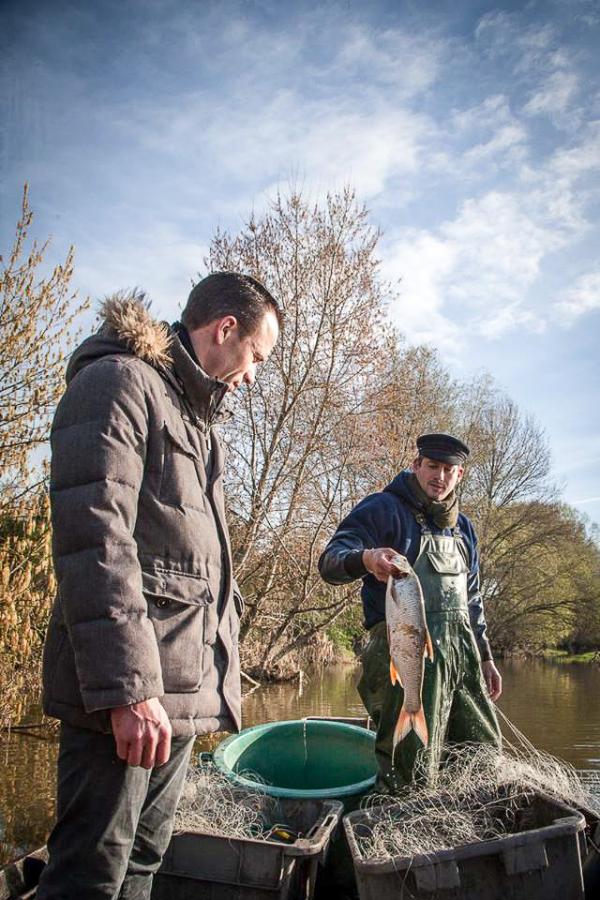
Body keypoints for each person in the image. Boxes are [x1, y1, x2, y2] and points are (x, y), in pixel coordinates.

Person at [36, 272, 281, 899]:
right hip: (127, 701)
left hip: (178, 700)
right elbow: (97, 542)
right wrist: (129, 691)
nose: (253, 376)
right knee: (90, 876)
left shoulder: (197, 423)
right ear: (225, 330)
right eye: (256, 356)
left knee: (144, 862)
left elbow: (200, 569)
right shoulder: (117, 384)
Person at [318, 432, 502, 793]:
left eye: (450, 470)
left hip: (461, 658)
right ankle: (399, 827)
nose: (440, 476)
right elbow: (330, 562)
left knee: (482, 754)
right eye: (433, 466)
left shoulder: (464, 529)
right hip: (402, 653)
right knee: (410, 766)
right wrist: (366, 559)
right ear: (416, 465)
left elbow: (473, 599)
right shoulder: (384, 509)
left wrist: (485, 658)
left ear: (460, 475)